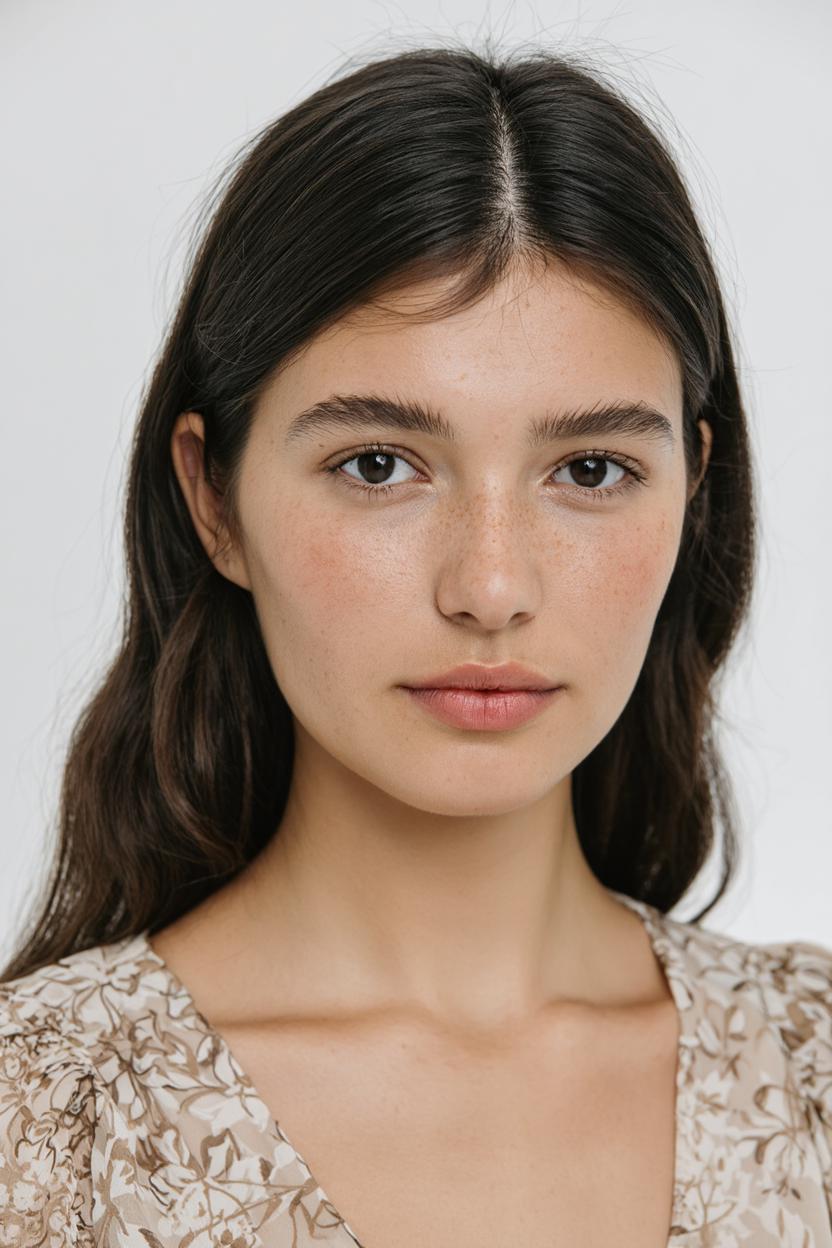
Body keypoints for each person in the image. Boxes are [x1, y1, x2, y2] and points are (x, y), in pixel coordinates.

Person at [1, 39, 830, 1248]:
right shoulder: (37, 1124)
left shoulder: (811, 1079)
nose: (490, 588)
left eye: (591, 469)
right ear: (213, 498)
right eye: (378, 465)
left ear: (691, 495)